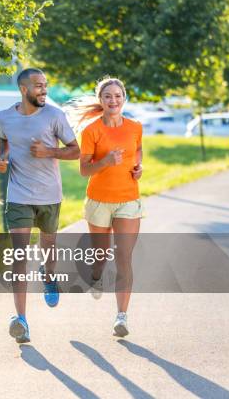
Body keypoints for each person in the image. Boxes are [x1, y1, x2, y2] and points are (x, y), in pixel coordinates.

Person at [0, 68, 80, 343]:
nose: (44, 90)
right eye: (38, 86)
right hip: (18, 195)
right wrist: (2, 158)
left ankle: (49, 274)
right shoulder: (5, 116)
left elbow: (76, 150)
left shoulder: (55, 116)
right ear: (23, 89)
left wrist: (50, 152)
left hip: (49, 195)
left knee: (48, 248)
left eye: (45, 85)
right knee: (19, 256)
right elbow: (4, 139)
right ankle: (21, 320)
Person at [74, 76, 143, 337]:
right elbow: (84, 170)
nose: (113, 100)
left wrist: (138, 168)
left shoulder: (135, 126)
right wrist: (105, 162)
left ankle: (121, 317)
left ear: (123, 98)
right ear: (100, 101)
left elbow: (137, 151)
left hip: (128, 199)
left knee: (123, 257)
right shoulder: (91, 130)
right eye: (107, 96)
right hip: (99, 201)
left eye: (117, 96)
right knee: (101, 257)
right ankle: (96, 272)